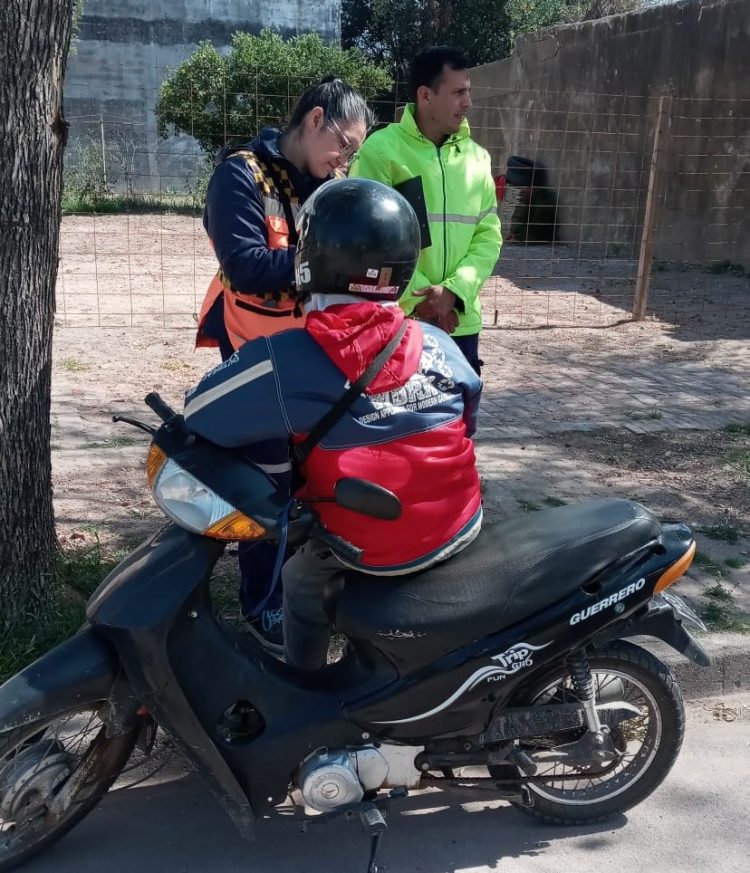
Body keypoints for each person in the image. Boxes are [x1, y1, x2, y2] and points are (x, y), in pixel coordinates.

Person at [183, 178, 483, 670]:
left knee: (299, 582)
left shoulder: (289, 359)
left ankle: (306, 685)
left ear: (310, 259)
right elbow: (468, 420)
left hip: (372, 550)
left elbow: (200, 412)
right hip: (461, 525)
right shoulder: (439, 343)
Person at [194, 77, 373, 648]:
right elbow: (246, 266)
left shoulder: (331, 188)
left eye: (353, 153)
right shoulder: (239, 176)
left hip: (317, 354)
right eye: (344, 145)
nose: (345, 161)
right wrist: (330, 265)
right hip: (258, 354)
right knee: (267, 480)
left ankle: (313, 588)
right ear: (316, 120)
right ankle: (264, 604)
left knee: (316, 475)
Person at [349, 46, 502, 376]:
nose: (468, 102)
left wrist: (453, 293)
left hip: (460, 323)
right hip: (399, 323)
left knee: (461, 409)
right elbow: (368, 241)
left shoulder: (478, 159)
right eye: (458, 92)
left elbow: (488, 237)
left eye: (468, 91)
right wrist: (422, 300)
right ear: (425, 96)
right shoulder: (380, 152)